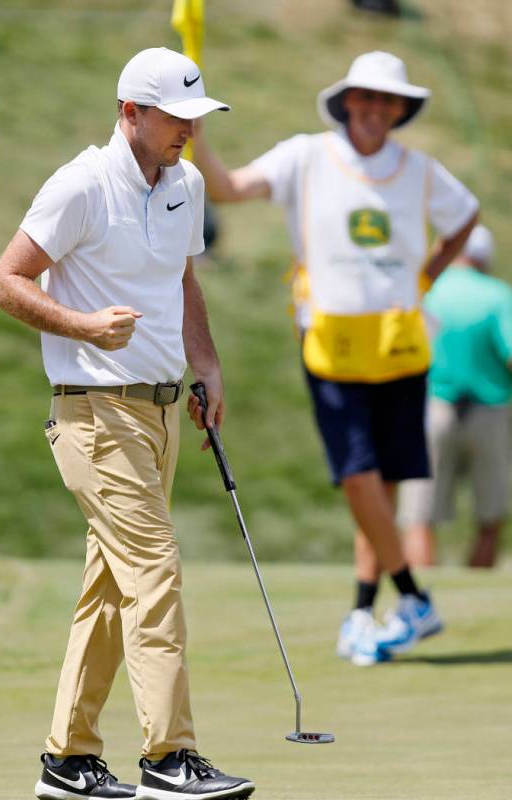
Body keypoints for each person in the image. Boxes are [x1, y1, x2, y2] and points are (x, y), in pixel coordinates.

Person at [0, 47, 254, 800]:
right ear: (130, 113)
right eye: (177, 118)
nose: (189, 134)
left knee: (110, 586)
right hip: (94, 414)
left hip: (162, 410)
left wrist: (206, 367)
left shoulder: (186, 182)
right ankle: (169, 756)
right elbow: (4, 279)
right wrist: (80, 324)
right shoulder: (79, 185)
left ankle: (68, 760)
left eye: (196, 120)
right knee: (154, 571)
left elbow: (182, 278)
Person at [192, 51, 479, 666]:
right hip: (329, 339)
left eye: (388, 100)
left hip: (400, 342)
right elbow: (227, 187)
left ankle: (360, 614)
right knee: (357, 475)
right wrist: (200, 135)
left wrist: (425, 275)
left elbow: (465, 217)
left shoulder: (419, 170)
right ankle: (413, 597)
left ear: (401, 109)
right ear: (347, 100)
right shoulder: (306, 156)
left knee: (379, 485)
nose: (375, 109)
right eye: (365, 97)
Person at [399, 225, 512, 568]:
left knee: (419, 516)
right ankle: (476, 591)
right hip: (489, 410)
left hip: (432, 408)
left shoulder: (427, 292)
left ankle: (418, 601)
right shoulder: (498, 294)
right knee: (490, 516)